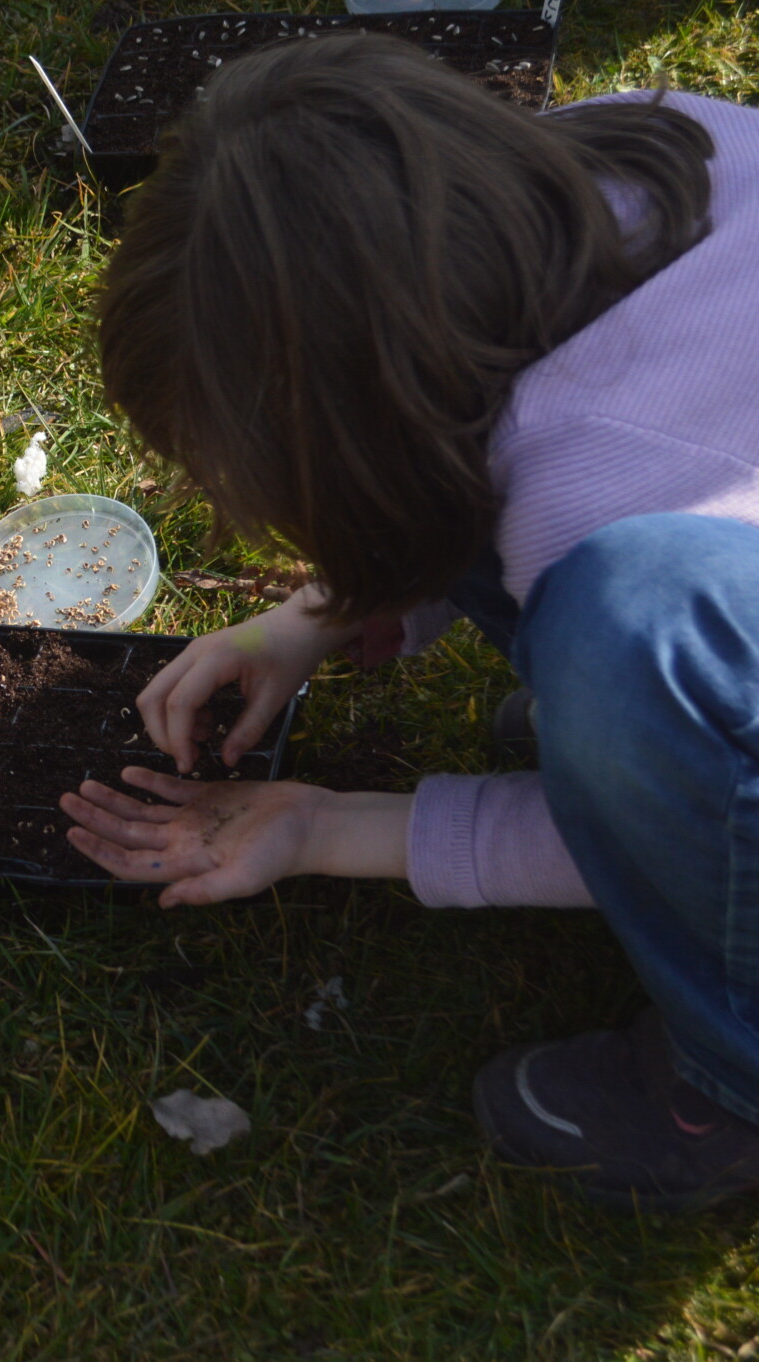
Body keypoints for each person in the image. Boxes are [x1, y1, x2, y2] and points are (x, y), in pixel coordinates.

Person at [65, 33, 759, 1211]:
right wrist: (315, 618)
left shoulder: (604, 536)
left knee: (622, 644)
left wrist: (327, 829)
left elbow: (696, 845)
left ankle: (723, 1091)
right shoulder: (629, 152)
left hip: (669, 604)